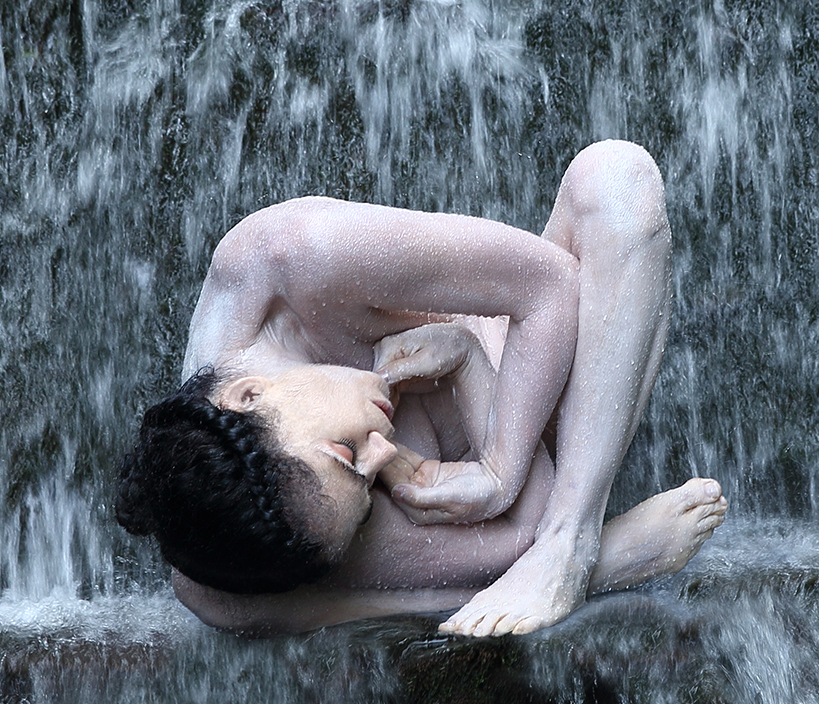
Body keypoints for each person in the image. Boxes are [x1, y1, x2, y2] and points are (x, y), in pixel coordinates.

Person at [116, 140, 728, 637]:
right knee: (212, 596)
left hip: (562, 404)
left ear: (247, 395)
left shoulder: (299, 255)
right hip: (503, 494)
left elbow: (551, 286)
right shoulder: (290, 513)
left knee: (617, 178)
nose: (383, 454)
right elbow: (516, 532)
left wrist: (500, 461)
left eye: (346, 452)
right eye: (366, 486)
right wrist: (467, 384)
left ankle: (573, 539)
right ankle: (592, 559)